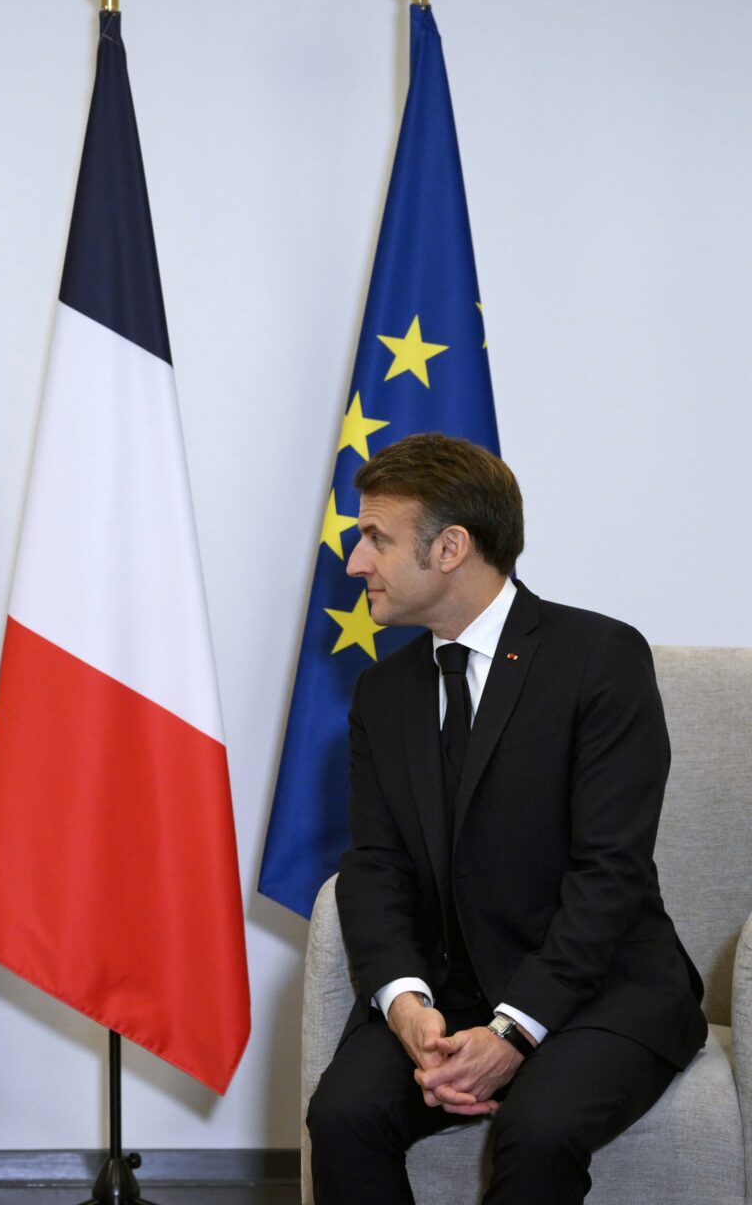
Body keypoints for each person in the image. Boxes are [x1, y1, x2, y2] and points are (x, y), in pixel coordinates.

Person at [306, 433, 706, 1204]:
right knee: (345, 1114)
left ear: (450, 547)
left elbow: (609, 873)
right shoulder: (383, 694)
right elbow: (375, 867)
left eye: (374, 538)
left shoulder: (600, 658)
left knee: (540, 1129)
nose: (356, 563)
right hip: (448, 992)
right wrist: (406, 1007)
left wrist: (516, 1030)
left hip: (602, 991)